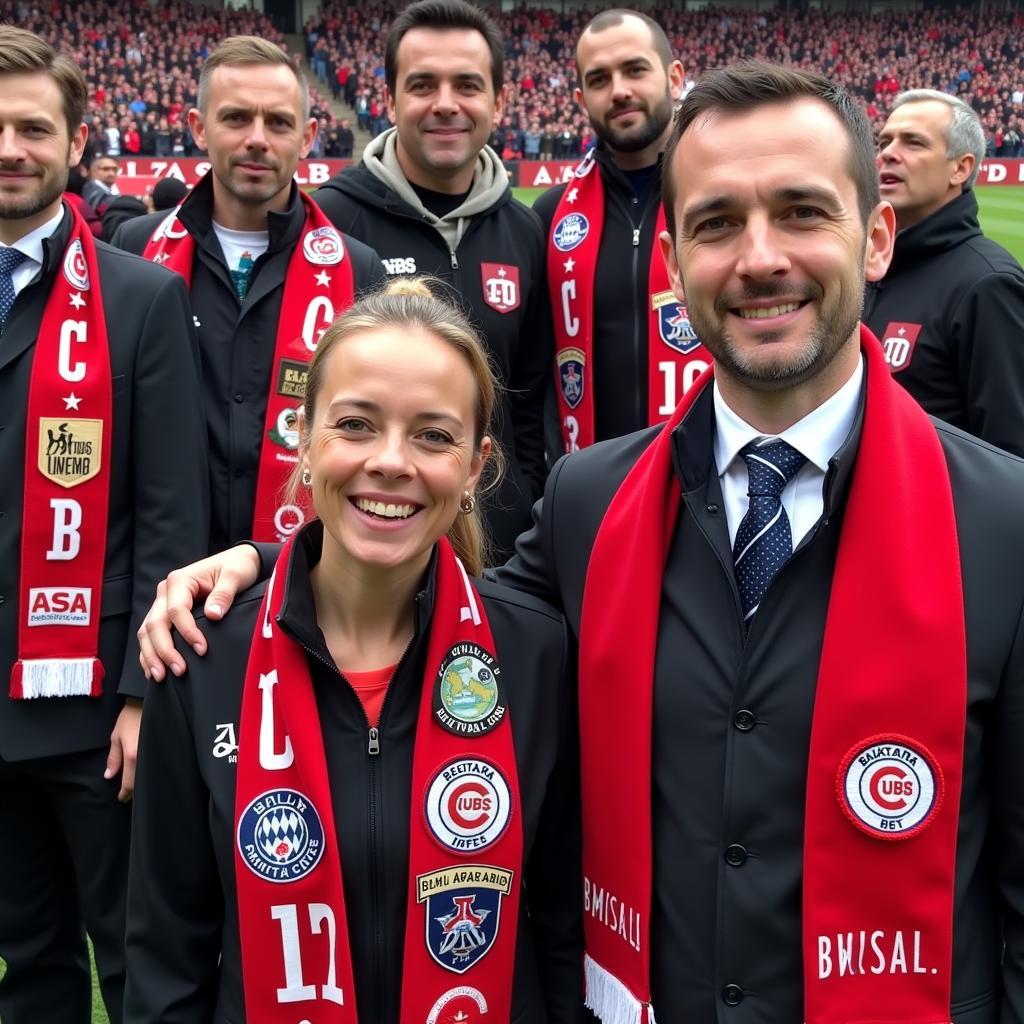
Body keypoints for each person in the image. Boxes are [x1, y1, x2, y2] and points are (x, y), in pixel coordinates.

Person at [139, 61, 1024, 1022]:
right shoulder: (590, 502)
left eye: (803, 211)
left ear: (878, 235)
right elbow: (418, 594)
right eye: (718, 222)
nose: (760, 257)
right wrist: (265, 567)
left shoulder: (1003, 523)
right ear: (677, 264)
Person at [125, 278, 584, 1024]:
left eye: (434, 435)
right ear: (305, 441)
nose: (392, 462)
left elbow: (565, 928)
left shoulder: (534, 654)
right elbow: (167, 950)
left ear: (475, 466)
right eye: (357, 425)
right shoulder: (203, 653)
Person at [0, 26, 208, 1024]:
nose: (10, 148)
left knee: (131, 961)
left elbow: (172, 509)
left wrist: (141, 692)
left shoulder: (140, 298)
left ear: (76, 142)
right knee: (25, 961)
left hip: (93, 708)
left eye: (33, 128)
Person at [113, 37, 384, 552]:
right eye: (236, 118)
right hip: (163, 561)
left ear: (307, 137)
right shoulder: (134, 246)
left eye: (278, 123)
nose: (257, 139)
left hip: (299, 570)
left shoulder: (357, 266)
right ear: (198, 128)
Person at [310, 0, 551, 563]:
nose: (446, 105)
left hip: (499, 557)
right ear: (390, 100)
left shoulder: (525, 229)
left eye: (467, 85)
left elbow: (530, 405)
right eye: (423, 85)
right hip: (367, 550)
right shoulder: (332, 222)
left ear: (499, 101)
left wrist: (529, 517)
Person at [535, 10, 708, 454]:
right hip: (589, 486)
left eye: (634, 70)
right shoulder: (551, 216)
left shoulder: (725, 200)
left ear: (674, 78)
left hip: (708, 485)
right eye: (599, 80)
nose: (619, 91)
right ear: (580, 97)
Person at [866, 89, 1024, 455]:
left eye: (914, 143)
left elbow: (1012, 455)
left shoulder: (988, 285)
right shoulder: (869, 268)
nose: (888, 152)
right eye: (884, 141)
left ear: (961, 168)